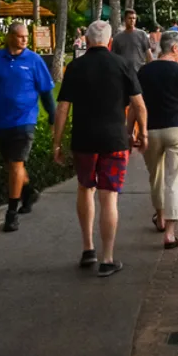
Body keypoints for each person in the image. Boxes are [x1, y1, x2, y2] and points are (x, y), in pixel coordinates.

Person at [52, 20, 148, 278]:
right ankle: (107, 259)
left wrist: (57, 143)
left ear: (86, 41)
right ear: (109, 42)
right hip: (115, 141)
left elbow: (62, 108)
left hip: (83, 140)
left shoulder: (75, 67)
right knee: (109, 197)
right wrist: (143, 133)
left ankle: (88, 249)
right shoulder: (123, 65)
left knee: (85, 188)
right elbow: (139, 104)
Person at [0, 21, 56, 232]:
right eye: (20, 36)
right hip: (1, 120)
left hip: (24, 121)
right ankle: (28, 192)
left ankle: (11, 213)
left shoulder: (34, 60)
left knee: (16, 164)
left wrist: (54, 119)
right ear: (10, 36)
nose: (25, 40)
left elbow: (46, 93)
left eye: (26, 37)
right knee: (11, 166)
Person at [137, 31, 178, 249]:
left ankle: (160, 218)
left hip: (151, 129)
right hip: (177, 129)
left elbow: (136, 106)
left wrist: (133, 131)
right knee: (174, 180)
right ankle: (170, 235)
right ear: (174, 48)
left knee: (155, 176)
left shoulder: (144, 72)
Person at [111, 9, 152, 75]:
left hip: (140, 71)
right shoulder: (117, 37)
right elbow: (114, 57)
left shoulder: (142, 34)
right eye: (130, 18)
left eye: (134, 18)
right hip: (124, 72)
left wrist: (150, 69)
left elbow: (148, 54)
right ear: (125, 19)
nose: (132, 20)